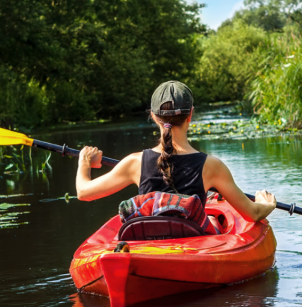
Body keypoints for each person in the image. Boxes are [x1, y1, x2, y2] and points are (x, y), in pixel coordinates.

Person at [76, 81, 277, 225]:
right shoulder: (212, 166)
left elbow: (84, 193)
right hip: (192, 244)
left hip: (150, 243)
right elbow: (253, 214)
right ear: (190, 115)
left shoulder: (134, 162)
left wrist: (84, 162)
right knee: (214, 221)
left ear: (153, 116)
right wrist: (266, 204)